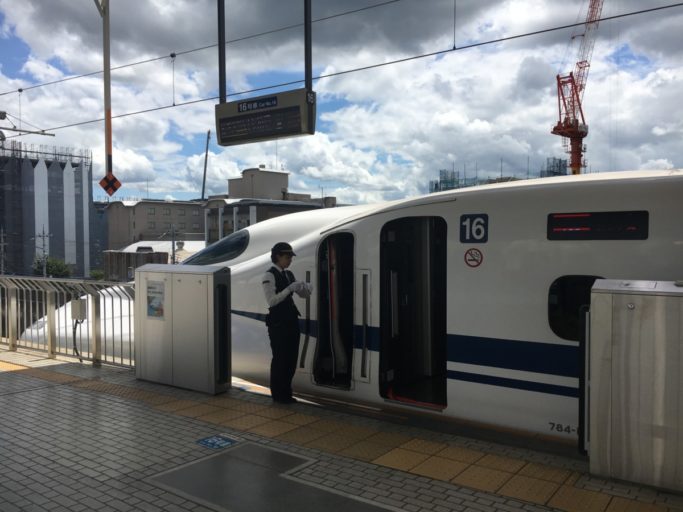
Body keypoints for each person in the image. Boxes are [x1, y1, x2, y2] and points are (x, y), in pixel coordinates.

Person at [262, 242, 312, 404]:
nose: (290, 260)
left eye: (290, 257)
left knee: (291, 359)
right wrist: (289, 289)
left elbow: (303, 295)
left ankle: (287, 393)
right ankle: (278, 394)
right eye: (287, 257)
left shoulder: (288, 274)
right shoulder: (268, 276)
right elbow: (272, 301)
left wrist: (304, 288)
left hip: (291, 321)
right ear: (278, 256)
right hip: (278, 324)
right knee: (280, 359)